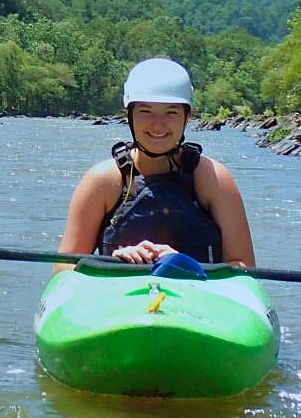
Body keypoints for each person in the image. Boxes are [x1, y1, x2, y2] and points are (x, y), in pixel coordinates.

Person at [56, 57, 256, 271]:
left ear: (187, 117)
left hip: (195, 296)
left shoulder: (213, 179)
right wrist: (111, 263)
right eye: (146, 111)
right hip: (121, 297)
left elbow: (244, 266)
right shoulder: (103, 180)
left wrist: (182, 263)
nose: (158, 124)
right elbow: (63, 268)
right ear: (129, 115)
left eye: (171, 112)